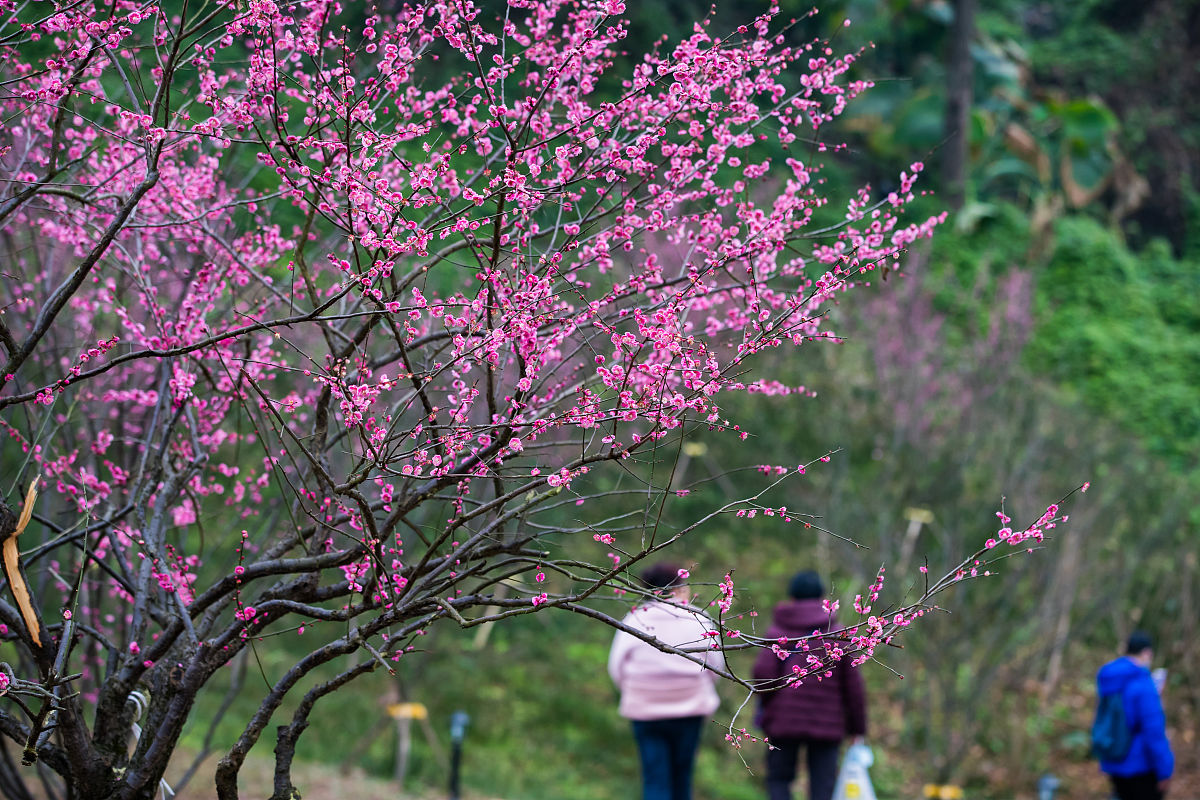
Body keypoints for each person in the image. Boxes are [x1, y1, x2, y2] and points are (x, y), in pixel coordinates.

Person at [608, 563, 724, 800]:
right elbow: (716, 665)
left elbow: (616, 667)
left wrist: (634, 690)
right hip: (689, 706)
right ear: (679, 588)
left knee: (655, 777)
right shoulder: (697, 618)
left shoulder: (635, 619)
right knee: (682, 776)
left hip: (645, 709)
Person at [752, 571, 867, 800]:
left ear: (792, 595)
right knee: (823, 786)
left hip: (784, 720)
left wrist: (770, 706)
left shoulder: (778, 631)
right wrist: (857, 729)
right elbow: (854, 689)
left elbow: (762, 675)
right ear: (822, 597)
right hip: (828, 724)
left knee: (779, 779)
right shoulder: (838, 633)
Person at [1096, 631, 1174, 800]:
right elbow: (1154, 732)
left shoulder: (1109, 677)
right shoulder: (1143, 683)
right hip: (1141, 765)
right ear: (1146, 652)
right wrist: (1165, 769)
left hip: (1114, 759)